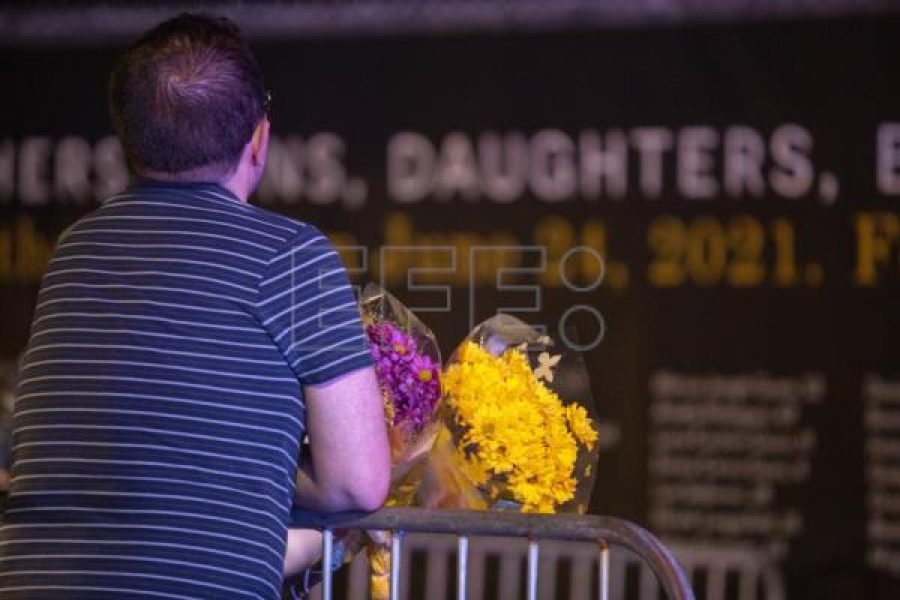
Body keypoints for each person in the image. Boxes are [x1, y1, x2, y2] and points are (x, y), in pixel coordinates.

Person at [0, 13, 390, 599]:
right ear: (258, 138)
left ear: (125, 136)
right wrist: (280, 474)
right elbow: (358, 485)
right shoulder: (291, 256)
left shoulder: (74, 249)